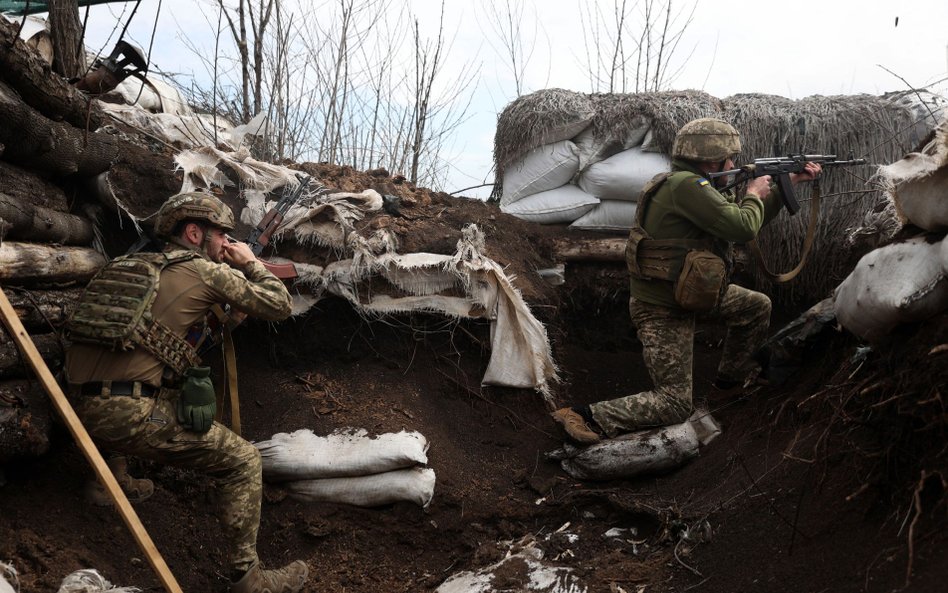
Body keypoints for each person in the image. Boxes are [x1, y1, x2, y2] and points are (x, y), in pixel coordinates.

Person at [64, 193, 308, 593]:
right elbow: (280, 304)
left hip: (78, 408)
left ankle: (109, 477)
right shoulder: (204, 271)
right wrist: (250, 263)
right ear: (194, 233)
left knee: (165, 394)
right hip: (128, 416)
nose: (227, 245)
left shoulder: (129, 265)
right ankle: (251, 580)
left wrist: (226, 319)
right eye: (222, 237)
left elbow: (157, 342)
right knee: (245, 459)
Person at [552, 118, 821, 445]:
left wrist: (784, 186)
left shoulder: (696, 187)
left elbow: (742, 220)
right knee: (675, 403)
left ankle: (726, 388)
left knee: (755, 307)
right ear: (710, 159)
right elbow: (742, 227)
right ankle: (585, 415)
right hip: (663, 308)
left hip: (694, 293)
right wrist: (753, 193)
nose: (734, 164)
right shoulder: (686, 187)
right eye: (729, 158)